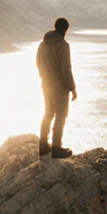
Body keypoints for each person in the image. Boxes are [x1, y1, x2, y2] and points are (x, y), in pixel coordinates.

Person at [36, 17, 77, 158]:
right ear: (65, 30)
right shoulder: (63, 45)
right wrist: (72, 87)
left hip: (46, 85)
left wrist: (44, 78)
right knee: (61, 115)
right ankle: (56, 148)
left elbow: (38, 63)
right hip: (59, 87)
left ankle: (43, 145)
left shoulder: (42, 44)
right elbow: (66, 69)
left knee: (48, 113)